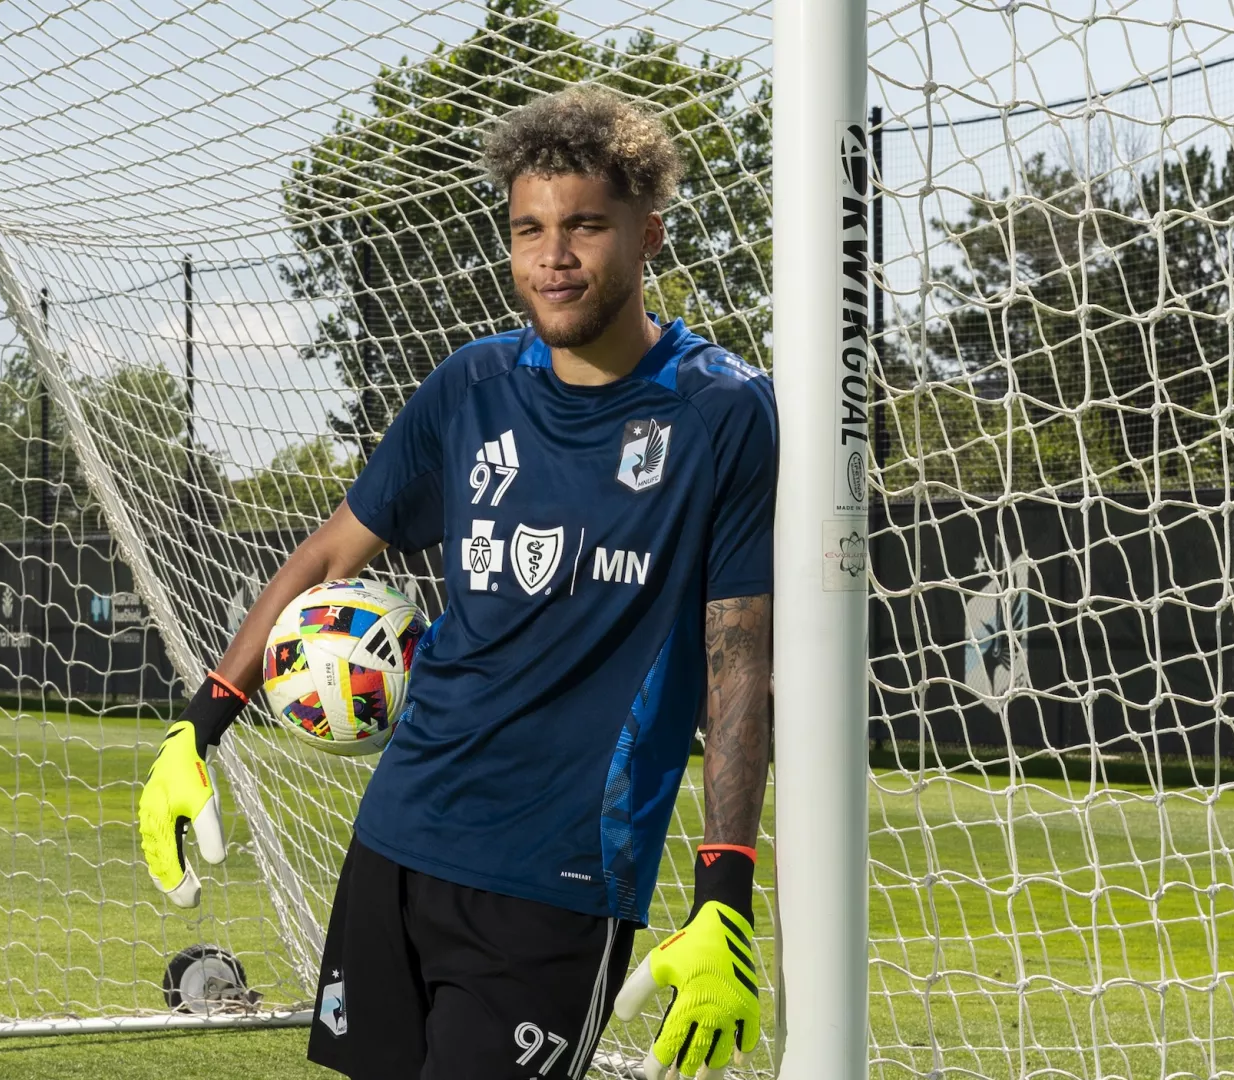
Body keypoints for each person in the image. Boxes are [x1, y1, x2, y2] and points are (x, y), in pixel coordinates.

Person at [137, 85, 776, 1080]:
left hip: (558, 881)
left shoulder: (723, 414)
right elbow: (327, 556)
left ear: (648, 234)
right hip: (398, 837)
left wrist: (723, 894)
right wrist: (204, 721)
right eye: (529, 228)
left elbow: (740, 661)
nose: (552, 256)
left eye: (584, 226)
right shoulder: (471, 387)